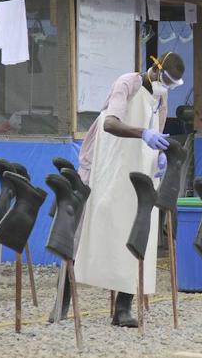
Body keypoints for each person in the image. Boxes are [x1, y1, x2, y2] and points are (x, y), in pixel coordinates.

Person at [73, 51, 185, 327]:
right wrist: (143, 134)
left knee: (138, 233)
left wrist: (159, 155)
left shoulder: (161, 97)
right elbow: (110, 123)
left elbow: (158, 129)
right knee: (92, 226)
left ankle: (123, 307)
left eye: (173, 85)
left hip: (141, 172)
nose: (167, 87)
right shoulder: (127, 83)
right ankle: (66, 297)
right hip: (111, 166)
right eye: (167, 81)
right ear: (156, 70)